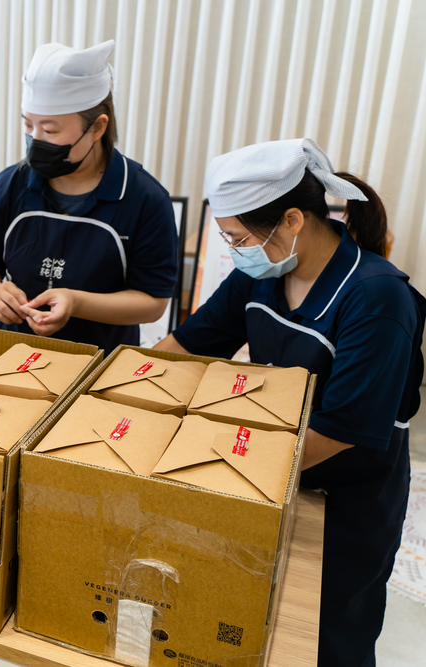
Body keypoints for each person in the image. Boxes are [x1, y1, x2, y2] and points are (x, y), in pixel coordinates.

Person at [155, 138, 424, 667]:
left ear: (293, 220)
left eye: (237, 237)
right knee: (251, 618)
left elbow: (341, 429)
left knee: (326, 634)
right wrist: (126, 396)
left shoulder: (376, 298)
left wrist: (222, 471)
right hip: (279, 468)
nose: (233, 251)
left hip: (347, 498)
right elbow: (183, 348)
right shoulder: (262, 275)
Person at [0, 40, 178, 353]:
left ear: (97, 127)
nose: (35, 140)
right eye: (28, 126)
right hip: (13, 354)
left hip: (100, 364)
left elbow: (152, 302)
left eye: (50, 131)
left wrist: (76, 303)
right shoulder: (10, 186)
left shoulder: (144, 199)